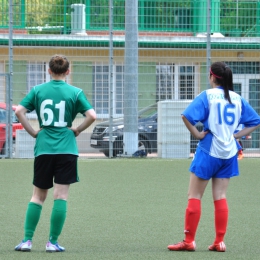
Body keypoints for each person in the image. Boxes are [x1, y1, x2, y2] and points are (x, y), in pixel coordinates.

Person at [167, 62, 260, 252]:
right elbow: (255, 121)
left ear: (211, 76)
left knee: (194, 195)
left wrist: (197, 134)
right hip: (229, 152)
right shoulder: (237, 98)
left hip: (209, 150)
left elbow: (186, 116)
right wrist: (235, 136)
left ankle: (189, 241)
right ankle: (219, 241)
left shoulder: (207, 96)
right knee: (220, 196)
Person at [14, 55, 96, 252]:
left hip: (44, 149)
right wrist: (77, 130)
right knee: (60, 197)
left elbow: (19, 112)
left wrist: (34, 132)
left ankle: (27, 240)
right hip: (66, 149)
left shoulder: (38, 90)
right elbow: (92, 116)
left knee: (37, 196)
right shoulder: (75, 92)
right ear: (68, 71)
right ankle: (52, 242)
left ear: (48, 70)